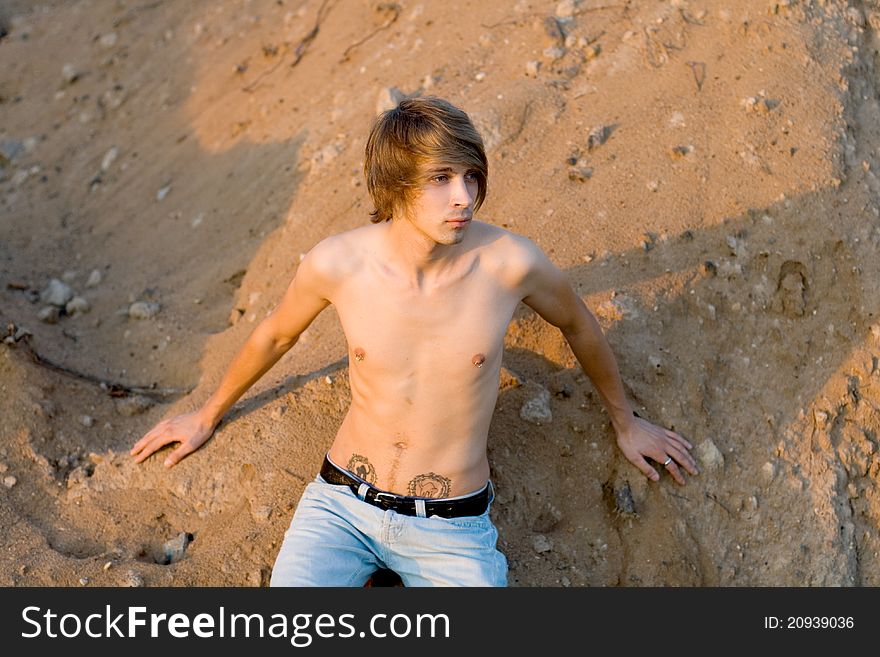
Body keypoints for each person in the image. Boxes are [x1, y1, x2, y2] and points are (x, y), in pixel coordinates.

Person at [131, 96, 698, 587]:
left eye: (471, 176)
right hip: (341, 506)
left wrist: (627, 422)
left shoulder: (510, 264)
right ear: (395, 185)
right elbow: (277, 333)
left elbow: (578, 324)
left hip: (451, 526)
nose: (464, 197)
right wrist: (207, 414)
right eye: (441, 178)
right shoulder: (340, 262)